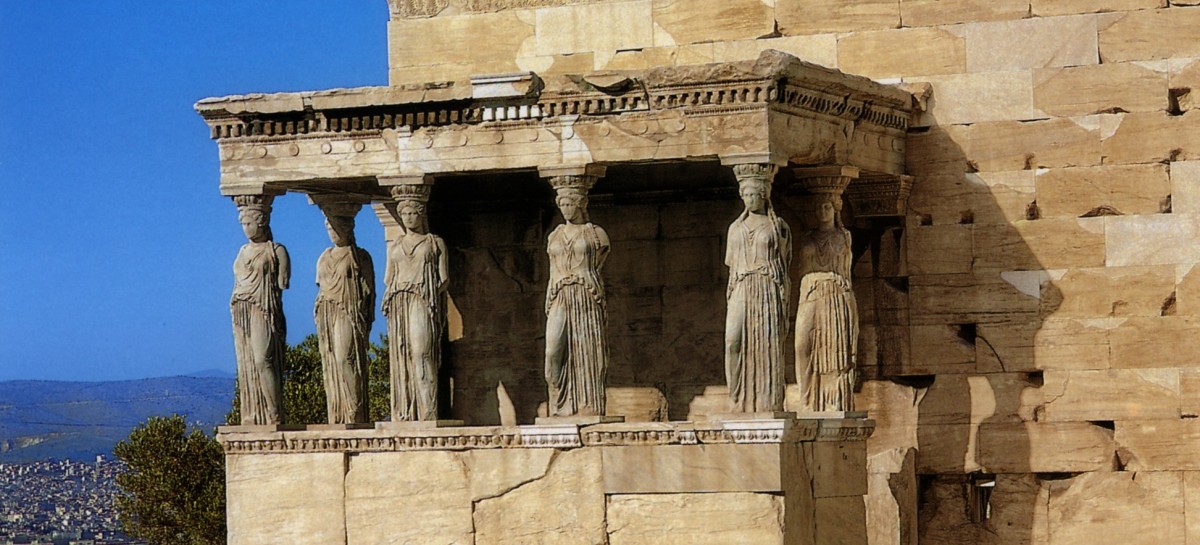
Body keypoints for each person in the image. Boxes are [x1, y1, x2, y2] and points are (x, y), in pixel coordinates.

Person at [724, 172, 791, 413]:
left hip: (766, 287)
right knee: (733, 339)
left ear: (764, 196)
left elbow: (785, 264)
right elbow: (732, 265)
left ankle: (767, 400)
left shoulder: (777, 226)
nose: (750, 199)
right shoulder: (735, 228)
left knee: (767, 342)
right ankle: (737, 396)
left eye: (754, 194)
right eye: (746, 195)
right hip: (742, 285)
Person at [544, 179, 610, 417]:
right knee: (553, 350)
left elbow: (598, 263)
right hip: (559, 294)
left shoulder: (596, 234)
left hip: (586, 294)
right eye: (561, 203)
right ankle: (559, 404)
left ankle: (586, 406)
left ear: (581, 204)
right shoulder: (554, 236)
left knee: (587, 350)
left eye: (569, 203)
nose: (565, 209)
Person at [382, 189, 448, 421]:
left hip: (422, 299)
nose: (409, 217)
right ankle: (406, 412)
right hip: (399, 301)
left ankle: (428, 411)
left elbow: (443, 278)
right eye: (405, 213)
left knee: (422, 352)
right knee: (403, 354)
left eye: (413, 213)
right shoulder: (395, 246)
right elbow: (388, 278)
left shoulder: (434, 243)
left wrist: (425, 292)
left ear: (421, 214)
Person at [230, 195, 290, 426]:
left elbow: (283, 283)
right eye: (243, 224)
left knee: (262, 359)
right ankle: (255, 413)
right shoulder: (242, 251)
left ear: (262, 221)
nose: (245, 229)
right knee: (247, 362)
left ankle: (274, 412)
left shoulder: (277, 251)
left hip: (264, 309)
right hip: (241, 308)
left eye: (249, 223)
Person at [795, 193, 858, 412]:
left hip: (835, 292)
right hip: (810, 291)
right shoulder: (807, 238)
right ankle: (806, 397)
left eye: (827, 207)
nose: (822, 211)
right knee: (801, 345)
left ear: (835, 209)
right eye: (819, 207)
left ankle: (833, 401)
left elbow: (846, 271)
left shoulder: (844, 237)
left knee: (834, 348)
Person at [314, 207, 375, 424]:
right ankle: (338, 413)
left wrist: (366, 318)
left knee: (345, 357)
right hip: (328, 311)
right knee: (331, 359)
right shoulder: (323, 257)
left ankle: (355, 409)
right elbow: (321, 287)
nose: (332, 232)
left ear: (348, 228)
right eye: (329, 227)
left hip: (349, 311)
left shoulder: (360, 256)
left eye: (336, 227)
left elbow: (369, 291)